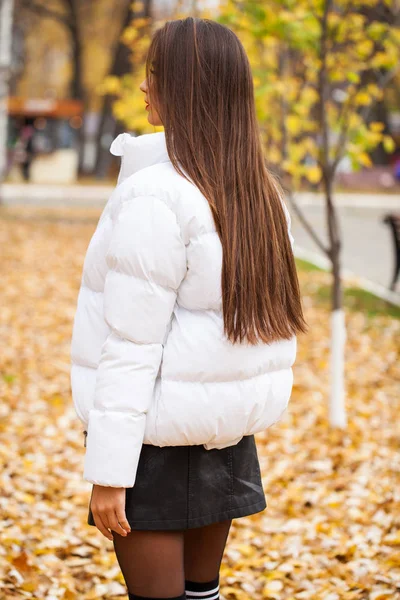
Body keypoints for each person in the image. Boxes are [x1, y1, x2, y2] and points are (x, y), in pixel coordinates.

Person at [70, 17, 307, 600]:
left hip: (150, 444)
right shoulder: (258, 192)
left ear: (187, 86)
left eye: (155, 74)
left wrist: (109, 472)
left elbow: (130, 345)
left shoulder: (157, 195)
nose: (144, 87)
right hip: (223, 437)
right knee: (203, 595)